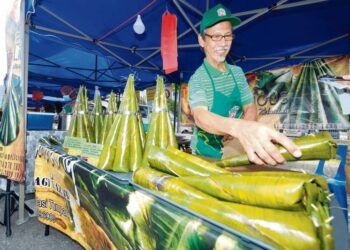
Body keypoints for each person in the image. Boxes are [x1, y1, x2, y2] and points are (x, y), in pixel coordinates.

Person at [188, 4, 301, 165]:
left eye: (227, 36)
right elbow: (200, 116)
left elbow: (250, 107)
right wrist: (237, 127)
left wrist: (245, 127)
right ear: (202, 40)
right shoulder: (198, 78)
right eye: (216, 37)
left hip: (236, 150)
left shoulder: (237, 73)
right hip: (207, 156)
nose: (223, 43)